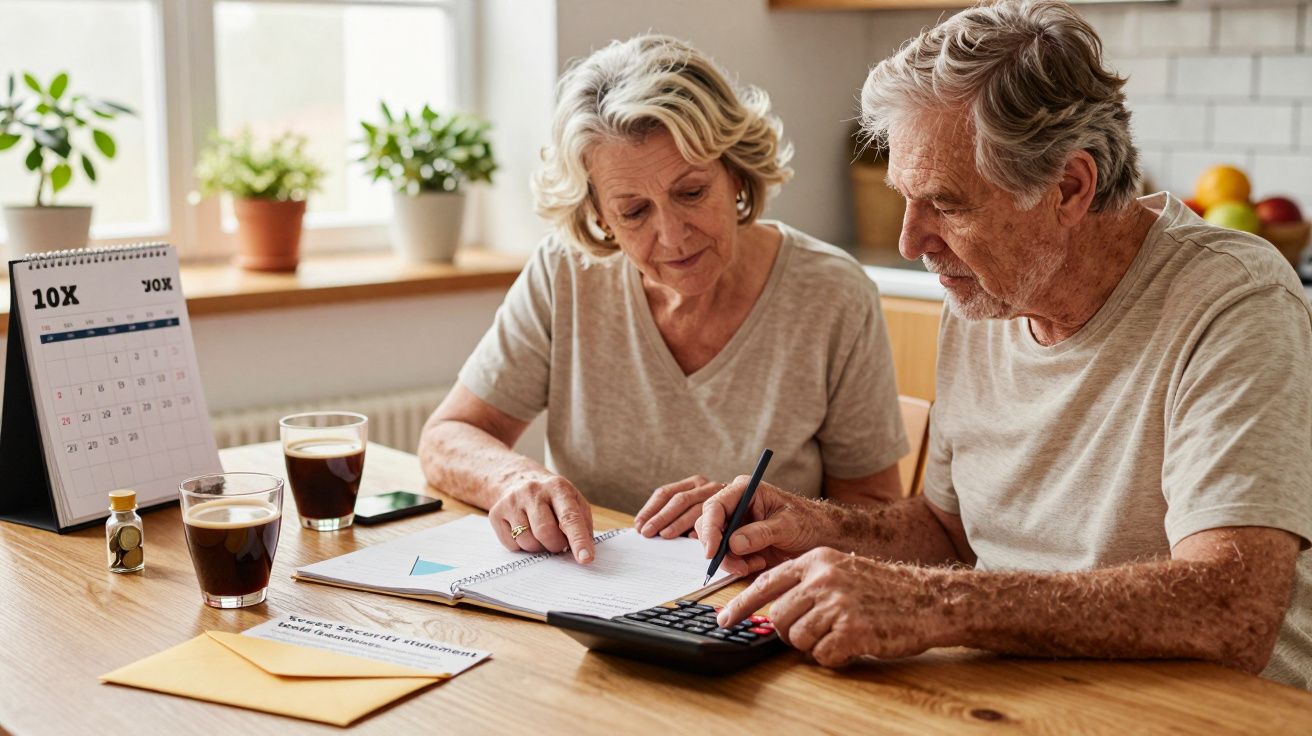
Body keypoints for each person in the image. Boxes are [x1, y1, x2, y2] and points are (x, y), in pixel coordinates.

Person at [698, 0, 1312, 689]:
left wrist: (934, 604)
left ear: (1069, 187)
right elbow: (951, 533)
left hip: (1212, 712)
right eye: (906, 197)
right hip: (1023, 695)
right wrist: (821, 527)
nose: (911, 242)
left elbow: (1231, 609)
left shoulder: (1233, 300)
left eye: (948, 204)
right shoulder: (989, 289)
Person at [418, 34, 907, 564]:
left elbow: (877, 516)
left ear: (736, 174)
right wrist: (514, 478)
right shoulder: (566, 274)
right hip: (588, 592)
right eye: (634, 212)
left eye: (691, 193)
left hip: (752, 603)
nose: (673, 236)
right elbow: (448, 436)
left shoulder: (832, 294)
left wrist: (782, 519)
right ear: (600, 216)